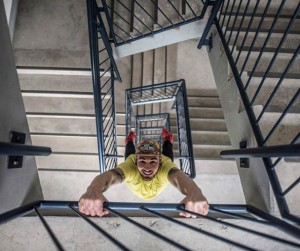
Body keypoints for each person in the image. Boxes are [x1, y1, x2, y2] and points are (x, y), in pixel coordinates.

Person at [79, 129, 209, 218]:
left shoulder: (165, 164)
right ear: (136, 161)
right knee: (129, 157)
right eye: (142, 161)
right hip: (135, 163)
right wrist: (93, 189)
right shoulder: (131, 166)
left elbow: (178, 177)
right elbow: (111, 176)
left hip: (161, 163)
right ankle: (130, 140)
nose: (147, 167)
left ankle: (167, 140)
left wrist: (195, 192)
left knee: (169, 158)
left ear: (160, 161)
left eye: (153, 161)